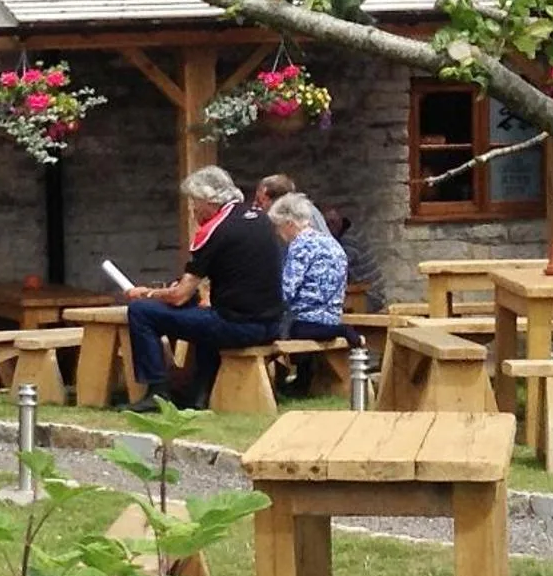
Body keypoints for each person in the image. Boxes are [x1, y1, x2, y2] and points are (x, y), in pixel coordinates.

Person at [122, 166, 283, 411]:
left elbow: (178, 296)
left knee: (142, 312)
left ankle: (157, 393)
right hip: (272, 324)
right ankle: (199, 393)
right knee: (206, 316)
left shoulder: (214, 230)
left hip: (238, 327)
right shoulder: (259, 218)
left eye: (194, 202)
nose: (193, 209)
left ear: (209, 201)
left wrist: (147, 293)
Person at [268, 193, 358, 393]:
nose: (278, 233)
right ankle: (302, 380)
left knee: (276, 329)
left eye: (278, 227)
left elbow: (286, 291)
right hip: (333, 315)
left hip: (309, 320)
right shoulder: (331, 242)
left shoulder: (300, 246)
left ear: (289, 223)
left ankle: (280, 383)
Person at [323, 203, 386, 311]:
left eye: (333, 222)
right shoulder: (345, 234)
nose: (331, 227)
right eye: (327, 224)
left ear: (340, 219)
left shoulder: (350, 238)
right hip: (363, 292)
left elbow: (339, 267)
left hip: (370, 295)